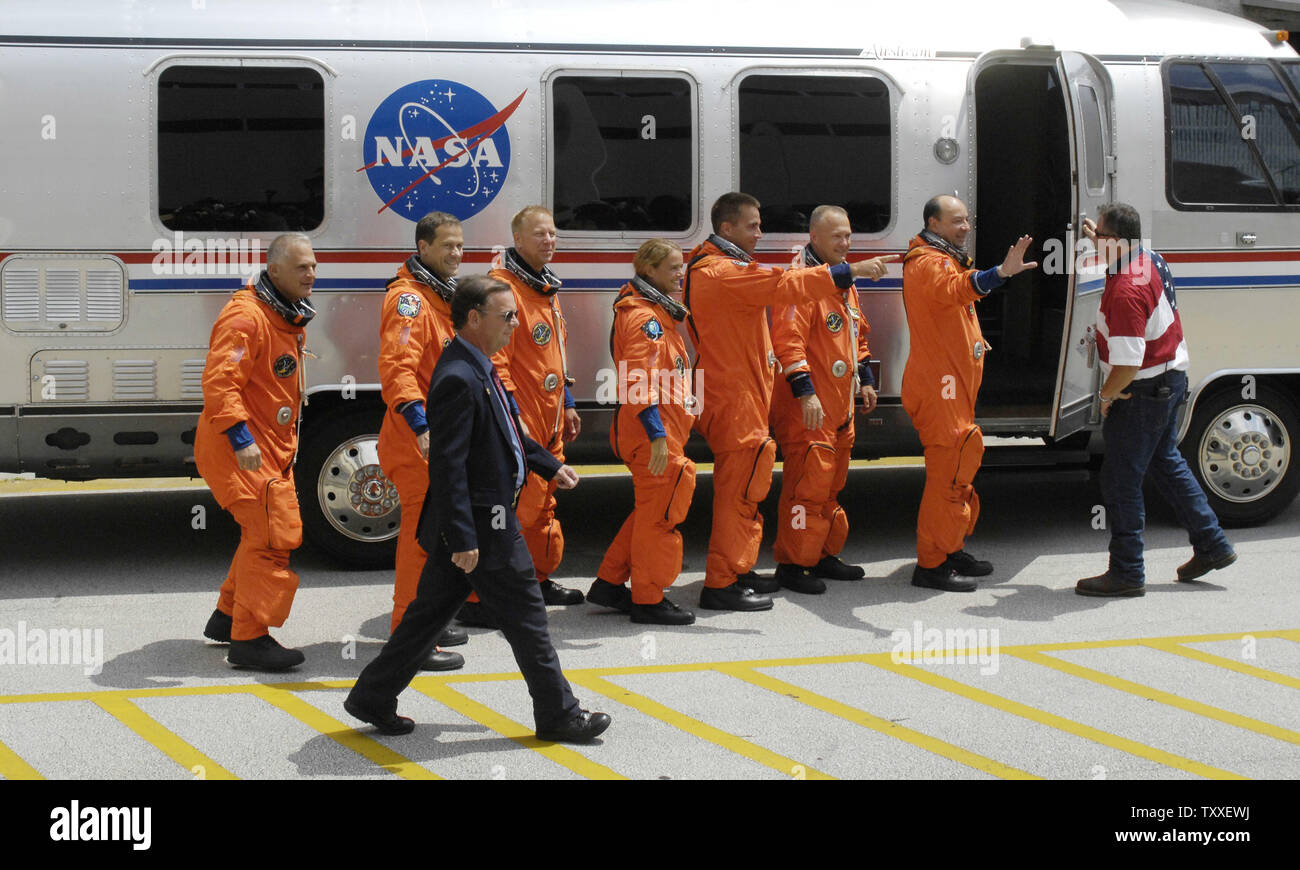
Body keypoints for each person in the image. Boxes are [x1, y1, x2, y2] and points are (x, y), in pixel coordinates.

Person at [344, 275, 611, 742]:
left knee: (426, 619)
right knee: (529, 618)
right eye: (506, 316)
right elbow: (449, 468)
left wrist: (548, 466)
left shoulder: (481, 364)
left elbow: (508, 433)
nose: (515, 324)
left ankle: (371, 697)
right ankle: (559, 714)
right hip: (484, 525)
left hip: (474, 524)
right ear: (473, 319)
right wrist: (464, 538)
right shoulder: (456, 378)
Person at [685, 192, 895, 611]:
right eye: (753, 225)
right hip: (735, 398)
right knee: (746, 492)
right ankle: (724, 581)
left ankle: (744, 569)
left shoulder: (730, 268)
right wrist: (847, 271)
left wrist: (864, 377)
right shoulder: (719, 271)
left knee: (756, 490)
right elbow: (786, 292)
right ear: (727, 229)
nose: (761, 233)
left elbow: (855, 332)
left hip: (753, 396)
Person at [1077, 203, 1236, 596]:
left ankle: (1127, 572)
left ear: (1117, 241)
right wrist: (1096, 239)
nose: (1093, 238)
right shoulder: (1148, 258)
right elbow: (1115, 254)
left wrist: (1106, 395)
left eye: (1099, 234)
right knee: (1166, 463)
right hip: (1171, 379)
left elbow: (1127, 364)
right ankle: (1212, 544)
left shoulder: (1126, 290)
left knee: (1120, 481)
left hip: (1142, 391)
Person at [901, 195, 1036, 592]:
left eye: (967, 221)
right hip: (938, 389)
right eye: (956, 221)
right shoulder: (927, 262)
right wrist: (1001, 273)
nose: (965, 227)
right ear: (933, 222)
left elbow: (954, 302)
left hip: (953, 388)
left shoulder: (942, 258)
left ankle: (949, 549)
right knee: (945, 477)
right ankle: (930, 565)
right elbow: (958, 289)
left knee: (959, 472)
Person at [457, 206, 583, 627]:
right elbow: (498, 361)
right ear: (518, 239)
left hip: (548, 418)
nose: (550, 241)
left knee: (544, 506)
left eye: (553, 233)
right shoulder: (504, 290)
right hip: (523, 419)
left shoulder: (544, 288)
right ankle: (478, 599)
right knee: (505, 511)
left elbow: (556, 353)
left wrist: (566, 400)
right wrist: (514, 416)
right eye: (540, 234)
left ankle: (536, 578)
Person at [196, 233, 317, 670]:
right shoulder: (247, 317)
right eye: (302, 267)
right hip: (240, 446)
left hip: (266, 446)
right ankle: (249, 640)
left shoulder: (280, 315)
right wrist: (241, 439)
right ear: (276, 269)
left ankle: (227, 617)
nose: (311, 274)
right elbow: (219, 383)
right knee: (273, 534)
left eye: (314, 266)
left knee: (259, 533)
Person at [376, 211, 468, 670]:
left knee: (440, 537)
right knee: (420, 542)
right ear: (423, 247)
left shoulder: (438, 297)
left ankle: (428, 621)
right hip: (419, 440)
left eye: (460, 245)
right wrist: (420, 425)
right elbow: (398, 369)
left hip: (438, 437)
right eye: (447, 245)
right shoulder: (410, 301)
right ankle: (409, 640)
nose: (456, 253)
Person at [589, 240, 698, 624]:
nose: (680, 273)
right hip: (653, 435)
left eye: (681, 266)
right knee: (659, 518)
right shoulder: (643, 318)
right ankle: (649, 600)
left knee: (648, 511)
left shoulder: (655, 311)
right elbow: (638, 381)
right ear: (649, 271)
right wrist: (656, 435)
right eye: (673, 268)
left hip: (660, 429)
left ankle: (609, 582)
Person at [769, 205, 878, 594]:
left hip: (840, 404)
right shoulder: (800, 280)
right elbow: (788, 341)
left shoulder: (841, 279)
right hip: (810, 407)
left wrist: (865, 379)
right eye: (838, 237)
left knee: (830, 486)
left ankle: (821, 554)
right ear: (814, 237)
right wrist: (805, 393)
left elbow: (856, 335)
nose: (846, 243)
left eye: (848, 236)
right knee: (806, 486)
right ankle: (793, 564)